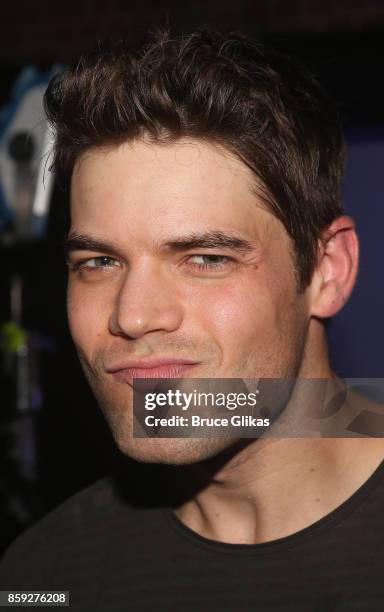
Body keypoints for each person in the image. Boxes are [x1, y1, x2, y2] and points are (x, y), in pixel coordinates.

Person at [1, 25, 384, 611]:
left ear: (327, 271)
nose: (132, 316)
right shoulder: (44, 575)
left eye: (205, 259)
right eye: (99, 261)